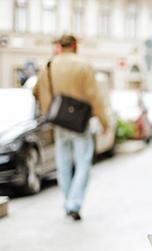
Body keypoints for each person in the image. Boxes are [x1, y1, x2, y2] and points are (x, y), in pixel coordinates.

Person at [33, 34, 109, 221]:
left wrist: (47, 109)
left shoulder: (49, 65)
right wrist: (104, 122)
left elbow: (36, 91)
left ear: (60, 46)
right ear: (75, 46)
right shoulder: (83, 65)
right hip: (79, 122)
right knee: (83, 162)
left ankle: (68, 201)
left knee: (63, 163)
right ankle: (74, 203)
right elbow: (94, 96)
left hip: (59, 121)